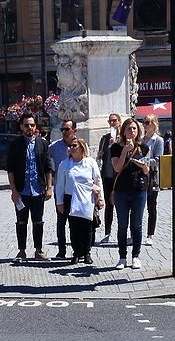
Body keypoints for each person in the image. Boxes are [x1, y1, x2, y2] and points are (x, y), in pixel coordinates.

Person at [6, 114, 53, 262]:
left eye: (32, 125)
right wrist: (13, 191)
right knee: (21, 222)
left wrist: (49, 187)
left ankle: (38, 250)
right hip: (21, 191)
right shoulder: (15, 144)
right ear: (21, 127)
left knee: (38, 221)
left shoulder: (42, 144)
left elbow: (48, 167)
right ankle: (21, 251)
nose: (30, 128)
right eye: (26, 125)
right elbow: (11, 169)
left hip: (38, 190)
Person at [55, 136, 102, 265]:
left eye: (75, 146)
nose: (71, 148)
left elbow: (98, 180)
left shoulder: (90, 162)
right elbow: (60, 184)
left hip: (87, 198)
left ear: (82, 148)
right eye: (70, 146)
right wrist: (59, 202)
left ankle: (87, 252)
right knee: (74, 227)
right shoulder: (64, 164)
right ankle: (76, 252)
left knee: (87, 226)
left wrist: (100, 199)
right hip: (70, 198)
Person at [111, 117, 150, 269]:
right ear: (123, 131)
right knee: (122, 225)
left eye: (134, 129)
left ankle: (136, 256)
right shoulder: (115, 147)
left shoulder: (143, 147)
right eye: (129, 128)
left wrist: (143, 166)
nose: (131, 131)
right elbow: (116, 168)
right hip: (121, 190)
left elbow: (147, 170)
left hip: (139, 189)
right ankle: (122, 257)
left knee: (137, 224)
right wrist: (124, 152)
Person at [48, 119, 78, 258]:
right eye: (63, 129)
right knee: (61, 221)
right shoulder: (54, 147)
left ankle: (79, 251)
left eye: (67, 129)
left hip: (76, 191)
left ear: (74, 131)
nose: (64, 132)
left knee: (76, 222)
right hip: (60, 190)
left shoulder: (79, 145)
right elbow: (46, 163)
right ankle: (61, 250)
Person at [98, 112, 122, 241]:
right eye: (110, 121)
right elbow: (100, 156)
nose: (112, 123)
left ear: (119, 122)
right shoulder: (104, 138)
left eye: (114, 121)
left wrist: (117, 143)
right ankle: (107, 233)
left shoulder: (123, 138)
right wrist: (100, 154)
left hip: (120, 176)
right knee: (109, 205)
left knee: (121, 205)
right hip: (107, 175)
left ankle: (122, 232)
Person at [143, 115, 164, 244]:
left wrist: (143, 161)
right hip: (140, 176)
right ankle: (135, 234)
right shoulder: (140, 139)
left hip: (152, 177)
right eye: (145, 122)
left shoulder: (158, 140)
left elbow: (158, 160)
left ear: (154, 124)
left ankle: (150, 234)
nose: (146, 125)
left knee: (151, 206)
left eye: (149, 122)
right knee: (137, 207)